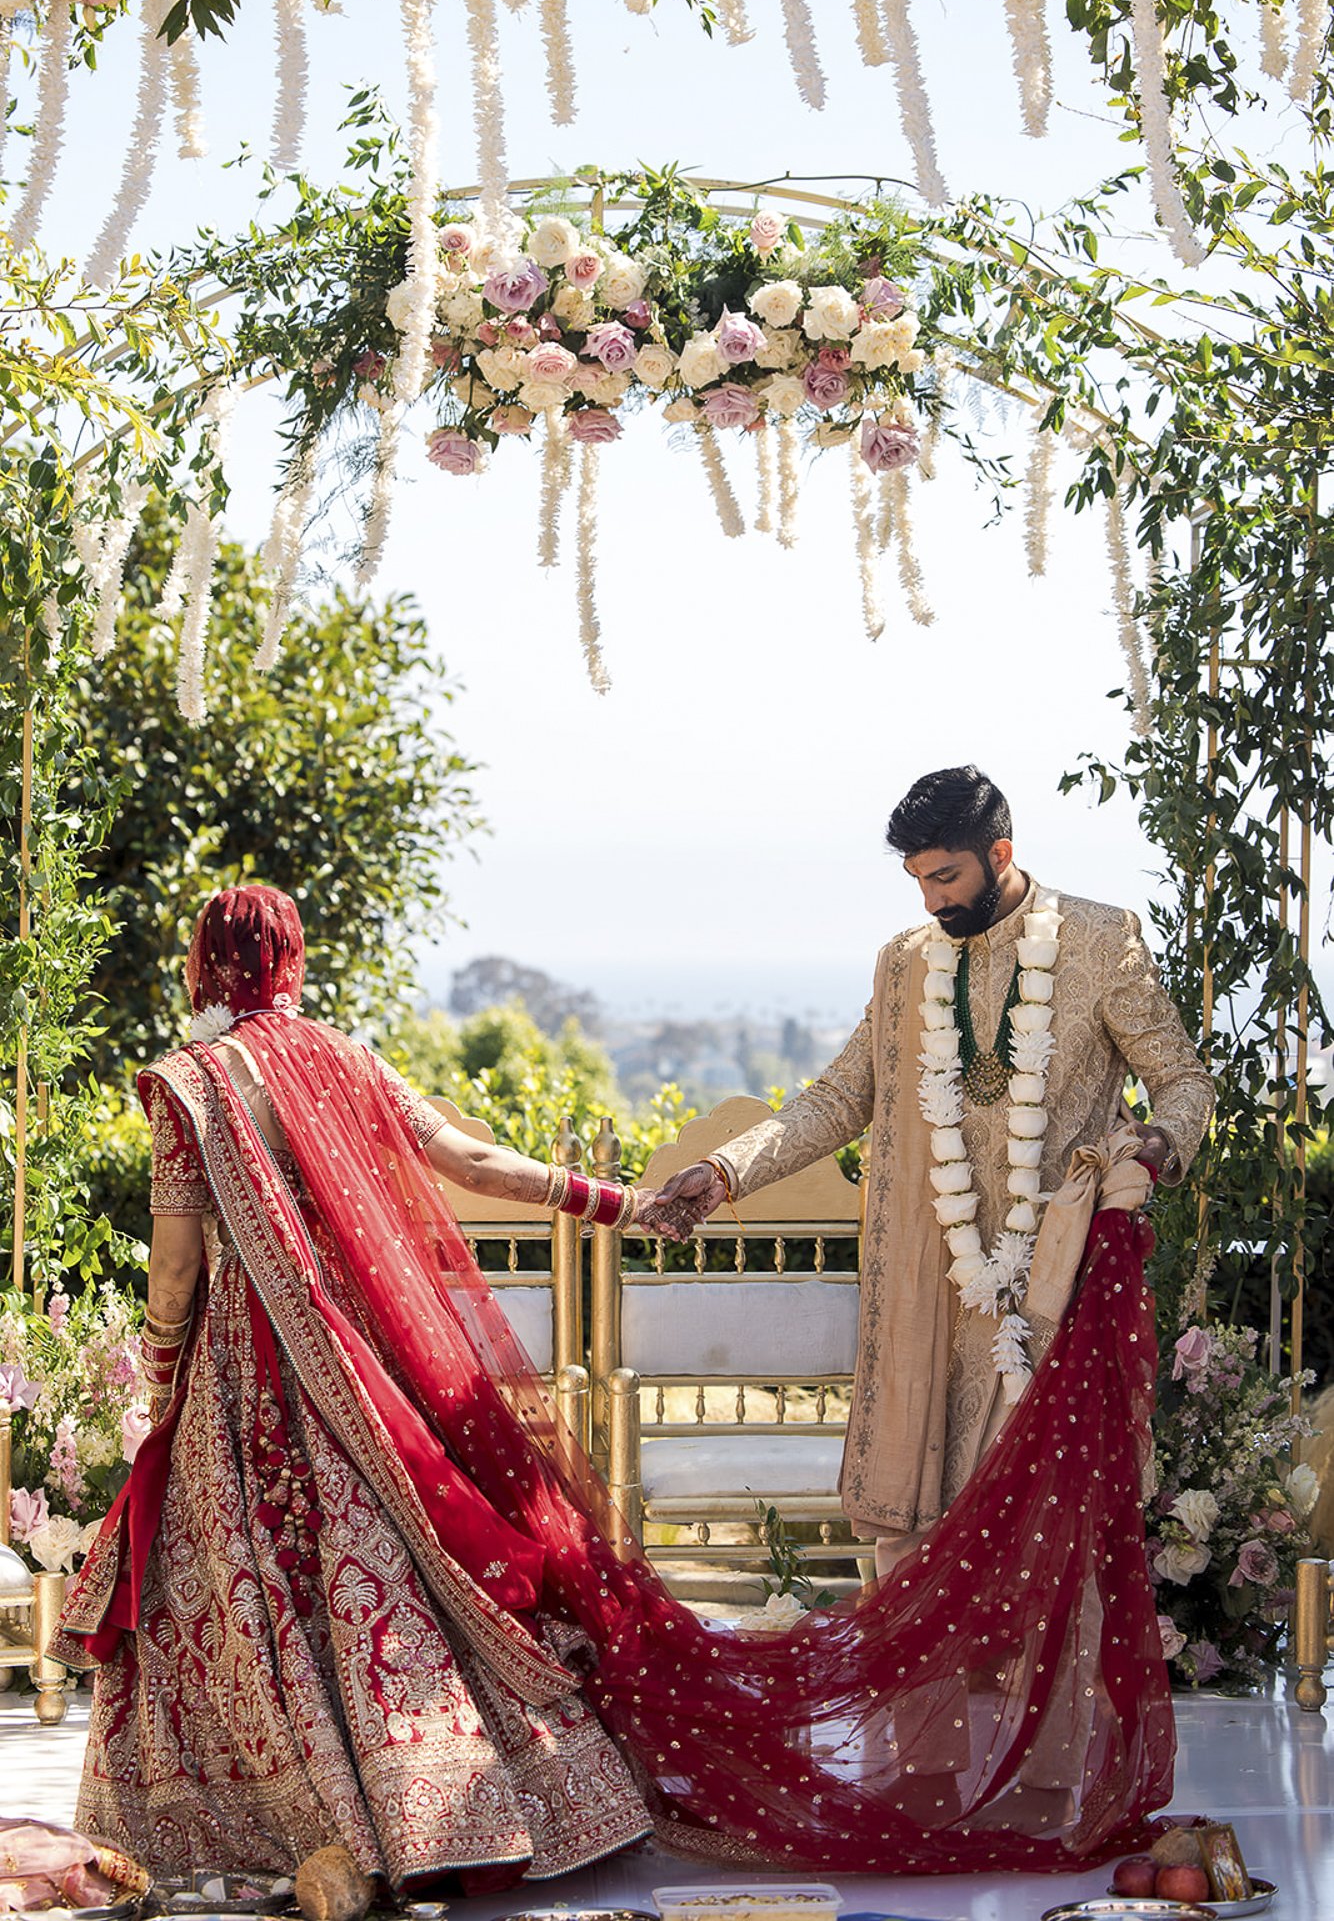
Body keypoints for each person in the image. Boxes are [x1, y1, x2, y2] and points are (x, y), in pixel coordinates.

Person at [55, 878, 1183, 1884]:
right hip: (362, 1361)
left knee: (249, 1577)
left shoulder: (190, 1084)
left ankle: (280, 1813)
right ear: (291, 960)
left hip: (248, 1368)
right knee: (394, 1570)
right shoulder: (343, 1059)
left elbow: (178, 1264)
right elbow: (472, 1161)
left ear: (203, 965)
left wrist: (163, 1375)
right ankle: (453, 1802)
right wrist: (616, 1201)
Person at [644, 766, 1215, 1578]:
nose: (929, 900)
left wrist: (1162, 1141)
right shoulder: (905, 964)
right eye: (916, 879)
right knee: (922, 1510)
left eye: (945, 876)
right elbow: (840, 1098)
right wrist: (724, 1169)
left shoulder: (1099, 939)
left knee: (1047, 1519)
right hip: (931, 1282)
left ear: (1001, 853)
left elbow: (1184, 1079)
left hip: (1054, 1274)